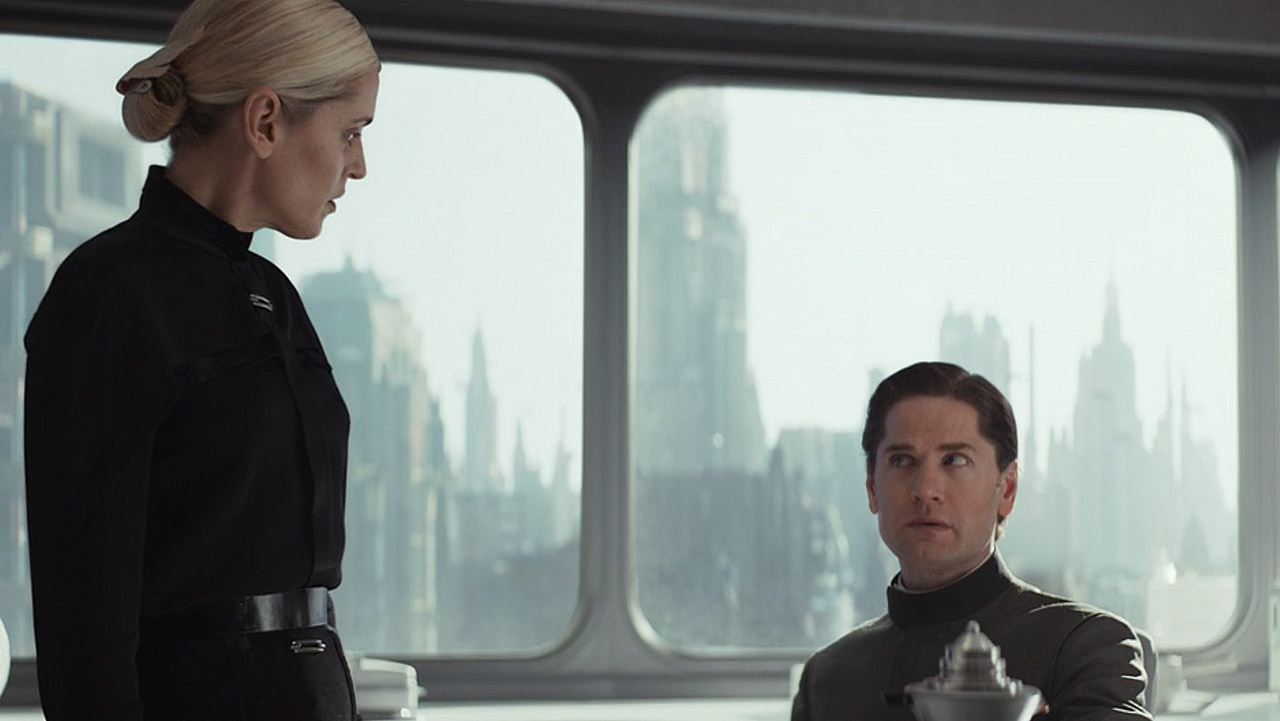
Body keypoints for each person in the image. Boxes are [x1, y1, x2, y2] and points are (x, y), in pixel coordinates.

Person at [23, 0, 379, 718]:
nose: (359, 166)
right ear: (265, 120)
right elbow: (83, 624)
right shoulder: (109, 292)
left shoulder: (276, 295)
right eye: (350, 132)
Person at [791, 361, 1151, 721]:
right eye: (901, 460)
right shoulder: (826, 678)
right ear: (872, 487)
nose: (925, 490)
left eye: (954, 460)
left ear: (1006, 489)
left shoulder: (1085, 646)